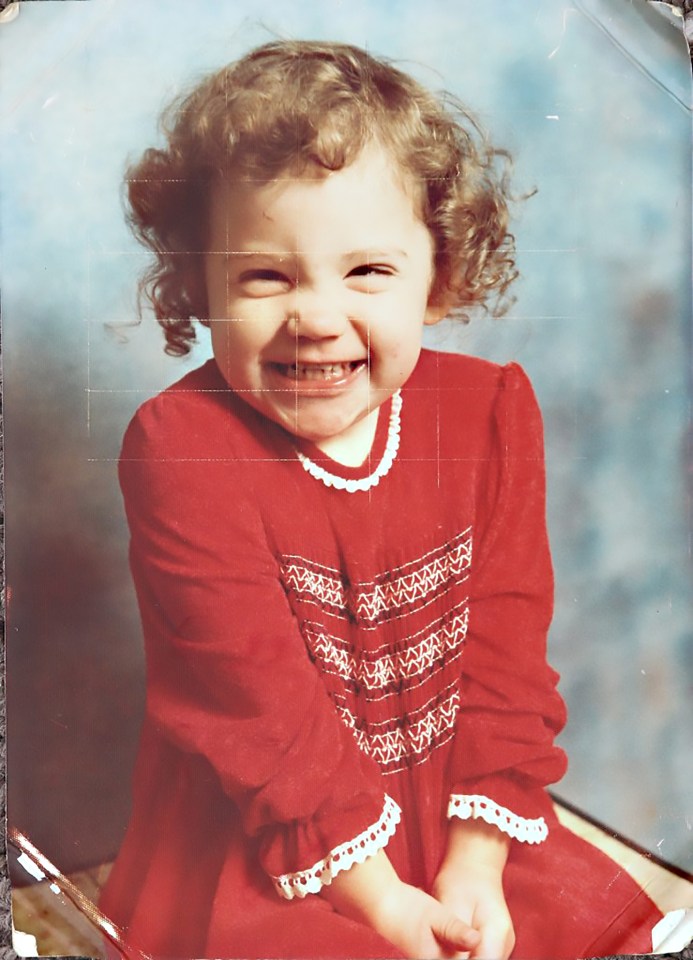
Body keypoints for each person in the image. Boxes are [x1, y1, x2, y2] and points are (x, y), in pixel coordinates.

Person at [99, 40, 662, 959]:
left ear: (436, 279)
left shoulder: (488, 413)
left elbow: (506, 661)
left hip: (450, 810)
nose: (316, 316)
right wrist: (388, 907)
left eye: (367, 271)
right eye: (264, 275)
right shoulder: (180, 447)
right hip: (278, 833)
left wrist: (473, 868)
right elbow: (262, 721)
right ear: (198, 286)